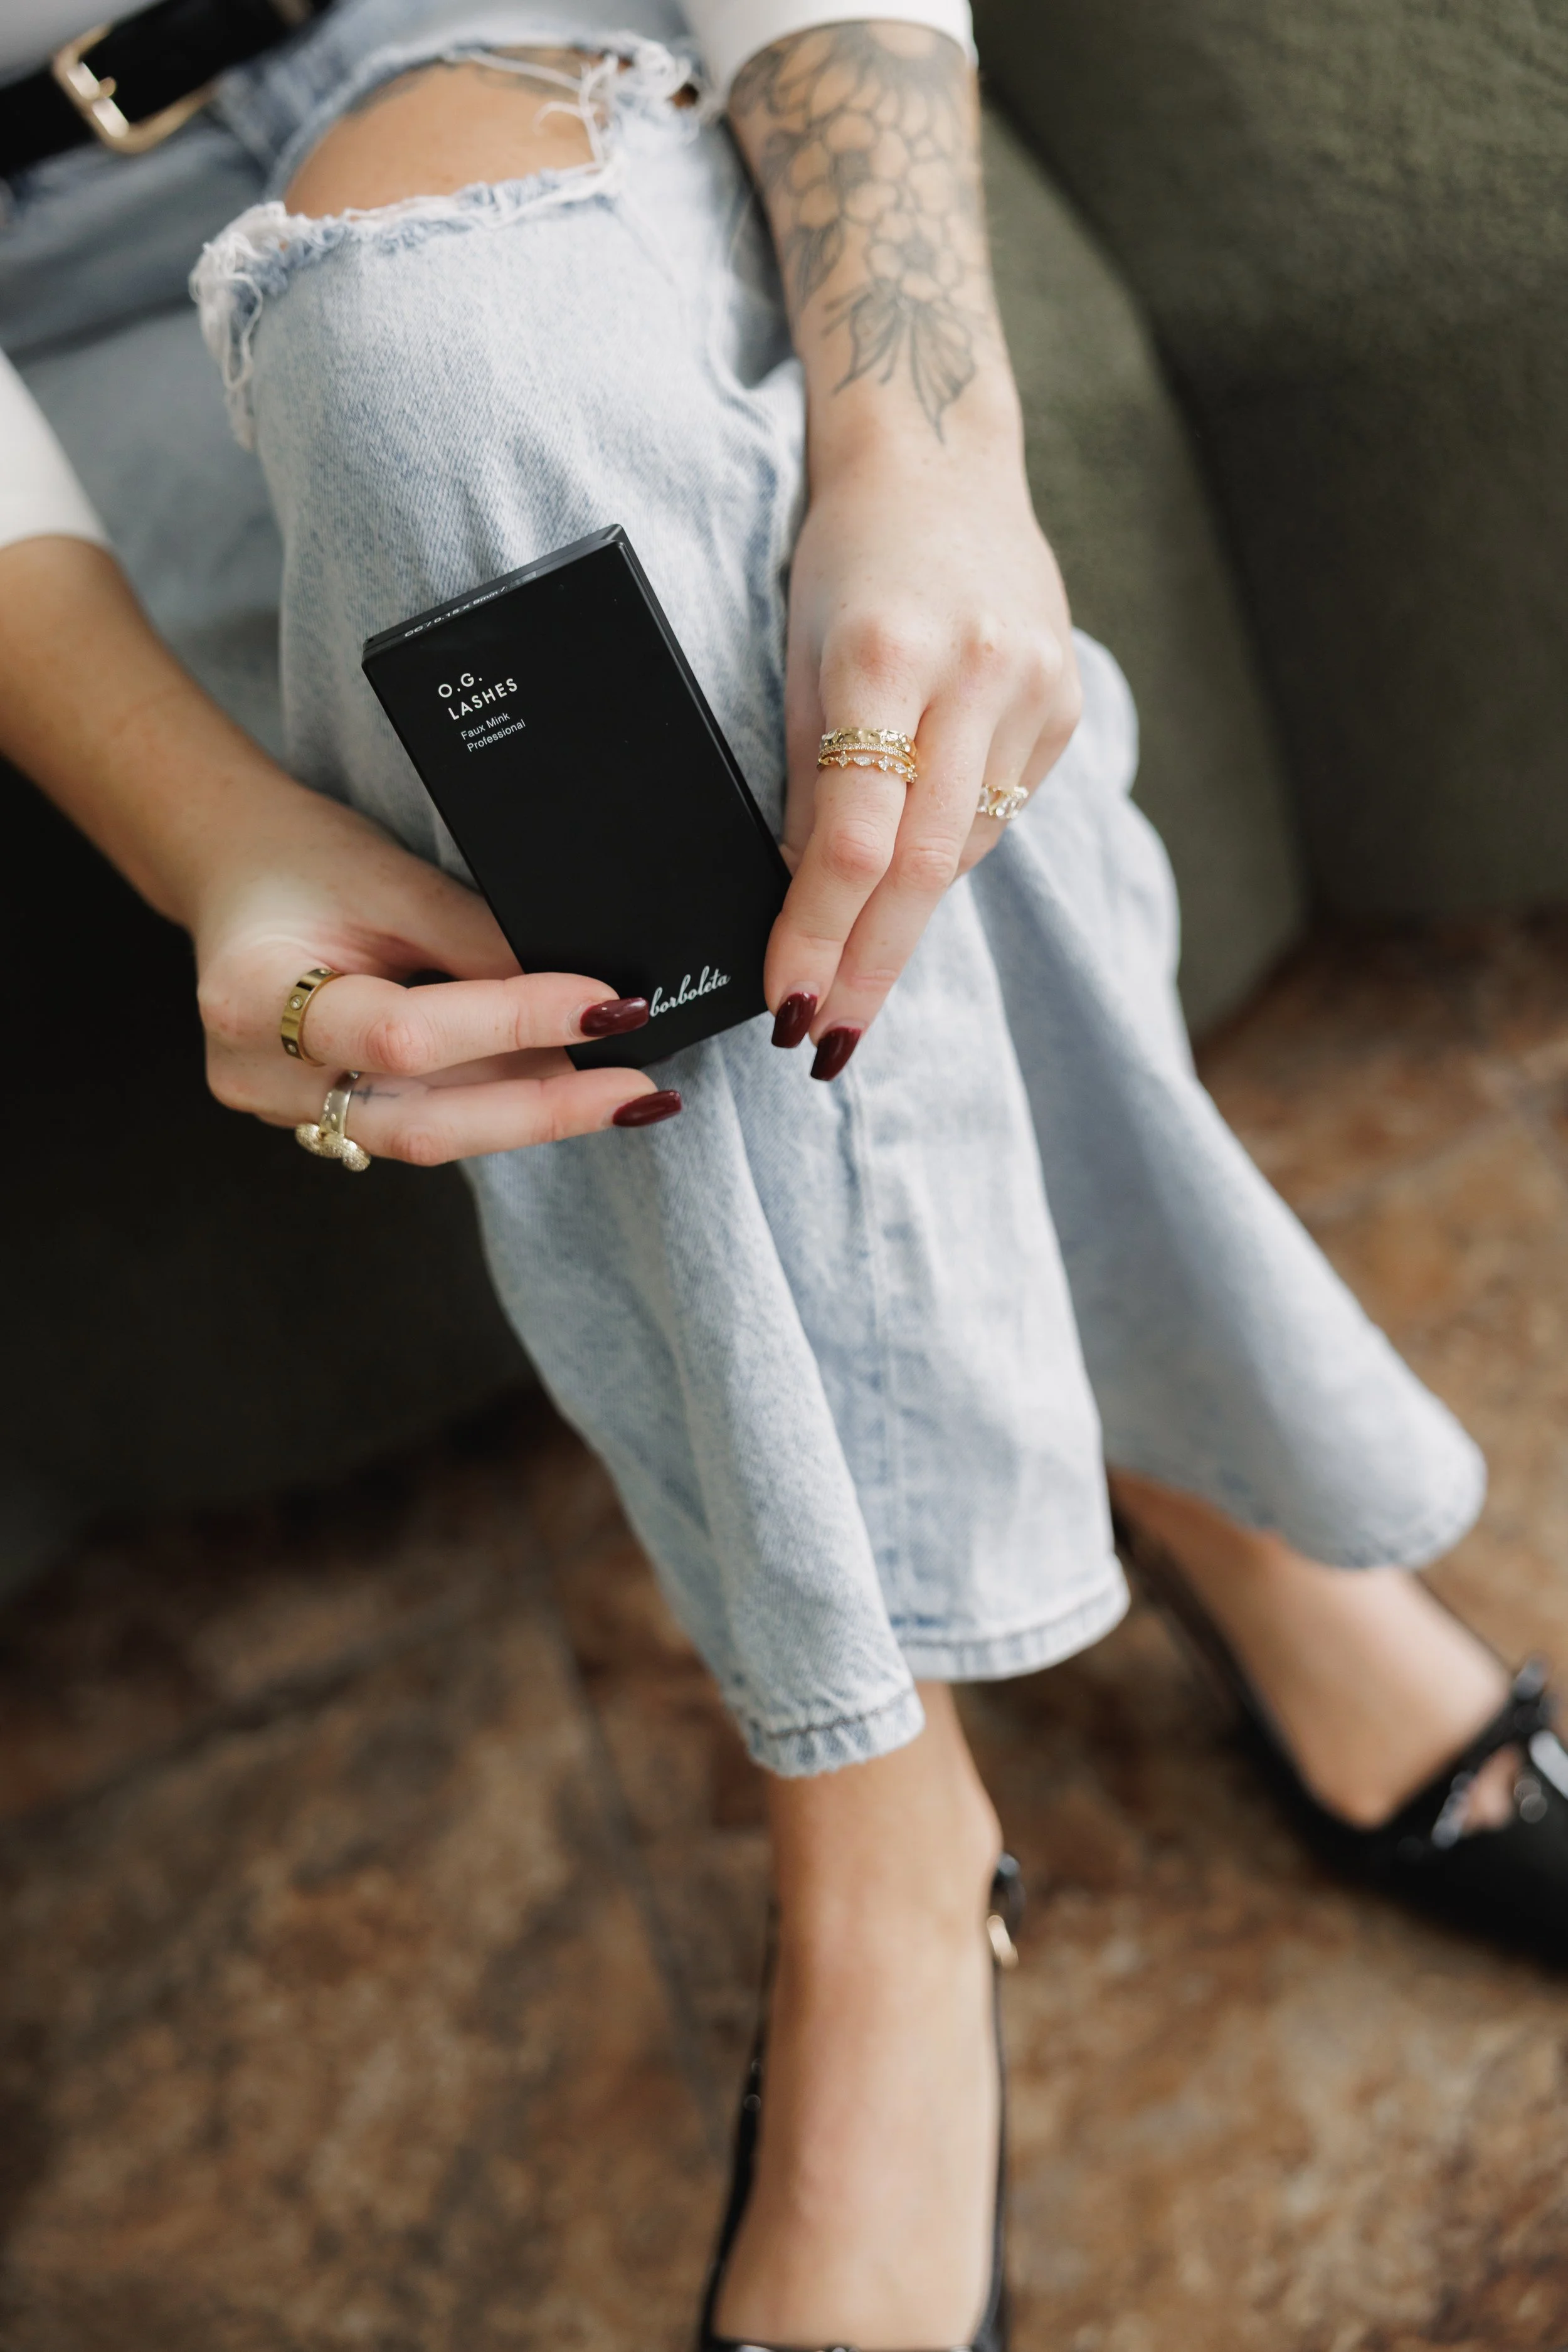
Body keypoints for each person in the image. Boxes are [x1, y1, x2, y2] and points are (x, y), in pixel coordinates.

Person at [3, 3, 1565, 2344]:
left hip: (486, 38)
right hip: (43, 299)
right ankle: (1168, 1564)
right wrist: (204, 838)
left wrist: (928, 448)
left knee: (454, 357)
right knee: (521, 507)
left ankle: (882, 1839)